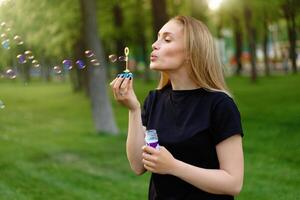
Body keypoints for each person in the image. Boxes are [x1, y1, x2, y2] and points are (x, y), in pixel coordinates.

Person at [110, 15, 244, 200]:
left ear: (191, 52)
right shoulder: (155, 99)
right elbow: (138, 166)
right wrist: (133, 109)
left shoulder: (219, 105)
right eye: (157, 38)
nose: (154, 45)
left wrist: (173, 166)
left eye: (166, 39)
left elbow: (233, 183)